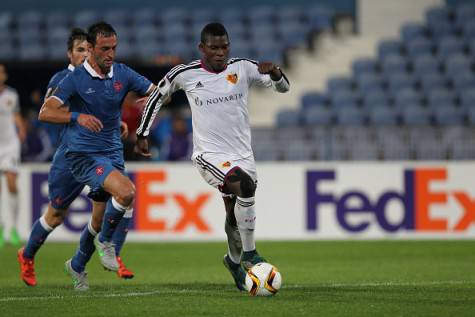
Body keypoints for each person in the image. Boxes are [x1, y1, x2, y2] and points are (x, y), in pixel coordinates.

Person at [135, 22, 290, 291]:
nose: (221, 52)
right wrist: (143, 132)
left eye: (225, 46)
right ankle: (251, 256)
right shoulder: (184, 73)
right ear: (202, 48)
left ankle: (233, 261)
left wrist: (275, 73)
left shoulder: (242, 67)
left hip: (243, 155)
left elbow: (283, 88)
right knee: (245, 186)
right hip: (209, 155)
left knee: (234, 215)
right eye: (214, 47)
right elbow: (156, 98)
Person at [35, 23, 154, 290]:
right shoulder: (74, 79)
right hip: (84, 155)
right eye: (104, 49)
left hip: (111, 152)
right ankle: (107, 244)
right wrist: (77, 116)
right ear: (90, 49)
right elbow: (45, 112)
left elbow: (156, 91)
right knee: (126, 192)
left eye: (114, 48)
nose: (111, 54)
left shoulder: (121, 73)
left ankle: (77, 265)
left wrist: (156, 99)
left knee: (99, 220)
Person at [0, 63, 26, 248]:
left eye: (1, 72)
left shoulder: (11, 94)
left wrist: (22, 128)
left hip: (10, 144)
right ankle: (1, 227)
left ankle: (14, 228)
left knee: (11, 184)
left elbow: (16, 115)